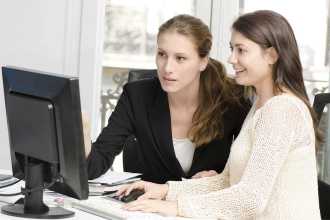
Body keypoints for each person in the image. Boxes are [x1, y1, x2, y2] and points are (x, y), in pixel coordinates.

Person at [117, 10, 322, 219]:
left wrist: (177, 207)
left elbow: (249, 199)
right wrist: (166, 191)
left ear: (271, 55)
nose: (231, 59)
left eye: (241, 50)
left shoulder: (281, 110)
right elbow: (227, 181)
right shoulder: (260, 106)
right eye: (232, 49)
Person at [86, 14, 250, 183]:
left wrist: (222, 179)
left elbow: (250, 175)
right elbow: (95, 165)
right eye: (162, 54)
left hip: (201, 206)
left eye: (180, 58)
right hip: (144, 206)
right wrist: (80, 136)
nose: (167, 68)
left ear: (203, 62)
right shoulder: (137, 96)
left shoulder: (233, 100)